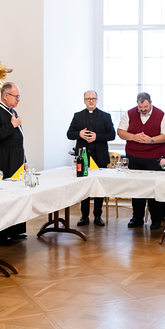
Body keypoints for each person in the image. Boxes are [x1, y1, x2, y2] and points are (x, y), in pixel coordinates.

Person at [117, 92, 165, 229]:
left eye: (145, 107)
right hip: (134, 157)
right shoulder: (129, 114)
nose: (143, 109)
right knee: (136, 188)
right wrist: (133, 137)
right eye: (140, 107)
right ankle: (137, 218)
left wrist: (151, 140)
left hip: (155, 158)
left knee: (155, 188)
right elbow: (120, 131)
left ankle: (156, 219)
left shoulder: (160, 115)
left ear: (151, 103)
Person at [0, 82, 27, 240]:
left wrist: (24, 160)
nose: (18, 99)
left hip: (15, 159)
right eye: (16, 96)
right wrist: (11, 125)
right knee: (4, 197)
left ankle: (16, 230)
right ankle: (3, 234)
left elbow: (19, 139)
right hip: (1, 159)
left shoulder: (12, 111)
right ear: (5, 96)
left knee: (17, 195)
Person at [66, 90, 115, 227]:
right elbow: (69, 134)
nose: (91, 101)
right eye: (88, 99)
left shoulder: (105, 116)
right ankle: (84, 216)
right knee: (84, 187)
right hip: (83, 156)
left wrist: (97, 137)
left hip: (100, 156)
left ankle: (98, 216)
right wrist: (79, 134)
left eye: (93, 98)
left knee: (99, 187)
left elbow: (112, 135)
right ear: (84, 101)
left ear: (97, 100)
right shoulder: (78, 116)